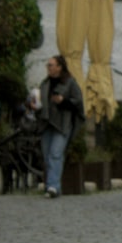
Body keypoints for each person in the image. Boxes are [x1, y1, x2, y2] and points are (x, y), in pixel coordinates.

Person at [37, 56, 84, 198]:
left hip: (63, 124)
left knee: (55, 154)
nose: (48, 67)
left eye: (51, 65)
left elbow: (78, 103)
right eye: (48, 65)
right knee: (47, 156)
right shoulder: (45, 83)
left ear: (59, 67)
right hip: (46, 123)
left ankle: (53, 186)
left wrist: (63, 101)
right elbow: (41, 102)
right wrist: (34, 105)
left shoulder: (70, 83)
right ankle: (51, 184)